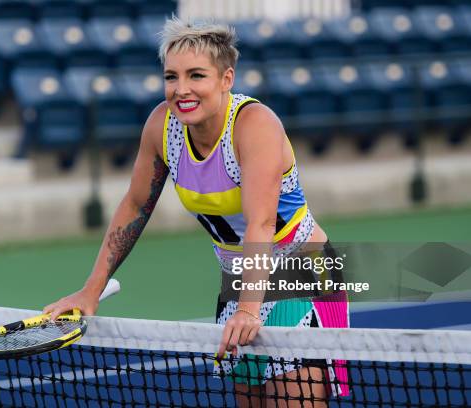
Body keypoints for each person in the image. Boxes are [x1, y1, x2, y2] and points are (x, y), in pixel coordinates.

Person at [44, 17, 349, 407]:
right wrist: (91, 289)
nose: (181, 89)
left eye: (196, 75)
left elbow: (261, 222)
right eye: (171, 77)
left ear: (226, 78)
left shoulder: (254, 126)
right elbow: (135, 205)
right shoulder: (161, 127)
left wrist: (249, 311)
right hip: (239, 280)